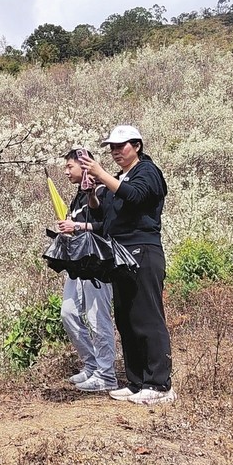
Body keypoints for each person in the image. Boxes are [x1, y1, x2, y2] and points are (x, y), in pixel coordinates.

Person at [79, 125, 175, 406]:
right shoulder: (118, 177)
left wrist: (101, 174)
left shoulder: (147, 171)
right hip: (119, 254)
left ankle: (159, 384)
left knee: (147, 316)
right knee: (127, 318)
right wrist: (92, 194)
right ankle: (137, 381)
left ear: (137, 146)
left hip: (143, 250)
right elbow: (105, 216)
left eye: (121, 146)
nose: (115, 152)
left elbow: (134, 196)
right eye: (112, 147)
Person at [55, 148, 117, 392]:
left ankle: (106, 374)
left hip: (97, 263)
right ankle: (91, 365)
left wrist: (78, 225)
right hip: (78, 262)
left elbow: (106, 225)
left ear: (84, 165)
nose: (66, 171)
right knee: (68, 313)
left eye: (70, 166)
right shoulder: (78, 196)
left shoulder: (103, 189)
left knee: (96, 317)